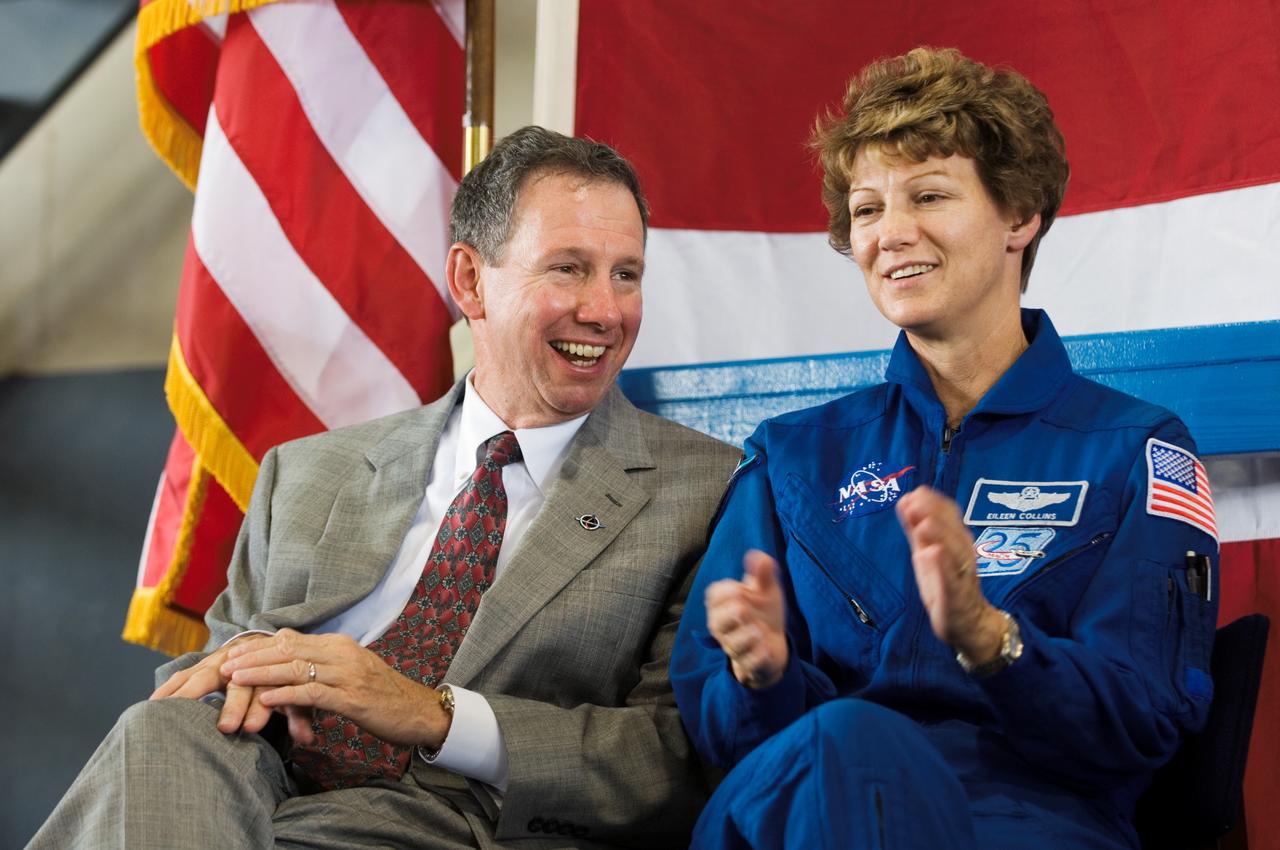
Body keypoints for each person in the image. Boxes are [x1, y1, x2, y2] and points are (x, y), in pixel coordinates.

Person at [30, 126, 739, 850]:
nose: (607, 311)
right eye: (569, 269)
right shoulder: (305, 473)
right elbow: (205, 676)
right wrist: (251, 671)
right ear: (470, 281)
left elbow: (670, 761)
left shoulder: (704, 492)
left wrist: (429, 713)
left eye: (627, 274)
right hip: (241, 796)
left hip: (459, 821)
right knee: (162, 730)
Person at [670, 47, 1219, 850]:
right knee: (842, 746)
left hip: (1024, 824)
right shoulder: (792, 457)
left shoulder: (1137, 450)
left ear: (1020, 216)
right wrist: (765, 678)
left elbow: (1147, 721)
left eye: (929, 195)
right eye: (865, 210)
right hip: (804, 808)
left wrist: (994, 644)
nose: (891, 234)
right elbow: (720, 731)